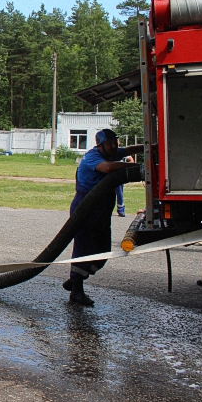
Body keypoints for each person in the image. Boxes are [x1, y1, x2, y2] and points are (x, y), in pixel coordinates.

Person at [65, 129, 143, 306]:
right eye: (110, 144)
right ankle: (76, 290)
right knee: (84, 249)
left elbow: (130, 150)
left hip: (102, 211)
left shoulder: (111, 153)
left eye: (116, 142)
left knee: (103, 252)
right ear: (100, 145)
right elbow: (107, 168)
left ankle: (77, 279)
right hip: (85, 210)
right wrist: (135, 167)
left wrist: (152, 147)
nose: (114, 146)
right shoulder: (92, 157)